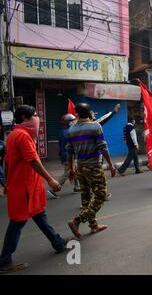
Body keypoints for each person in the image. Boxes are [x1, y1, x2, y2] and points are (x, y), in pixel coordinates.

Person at [0, 105, 70, 274]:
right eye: (34, 116)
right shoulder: (22, 135)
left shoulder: (13, 135)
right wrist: (51, 179)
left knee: (39, 215)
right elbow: (33, 160)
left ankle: (58, 243)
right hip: (24, 187)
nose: (37, 119)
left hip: (24, 186)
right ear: (24, 118)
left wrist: (6, 183)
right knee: (17, 222)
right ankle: (4, 261)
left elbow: (7, 162)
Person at [66, 103, 116, 239]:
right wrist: (111, 165)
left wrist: (71, 169)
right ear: (89, 113)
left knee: (86, 198)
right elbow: (103, 147)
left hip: (80, 167)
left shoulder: (71, 129)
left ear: (77, 114)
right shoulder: (95, 126)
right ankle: (76, 221)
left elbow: (69, 152)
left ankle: (93, 225)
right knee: (101, 195)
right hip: (93, 165)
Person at [54, 114, 80, 198]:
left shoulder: (64, 130)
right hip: (68, 155)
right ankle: (54, 188)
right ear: (68, 122)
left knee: (75, 170)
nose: (74, 122)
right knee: (67, 172)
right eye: (72, 121)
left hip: (66, 154)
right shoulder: (68, 131)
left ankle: (77, 186)